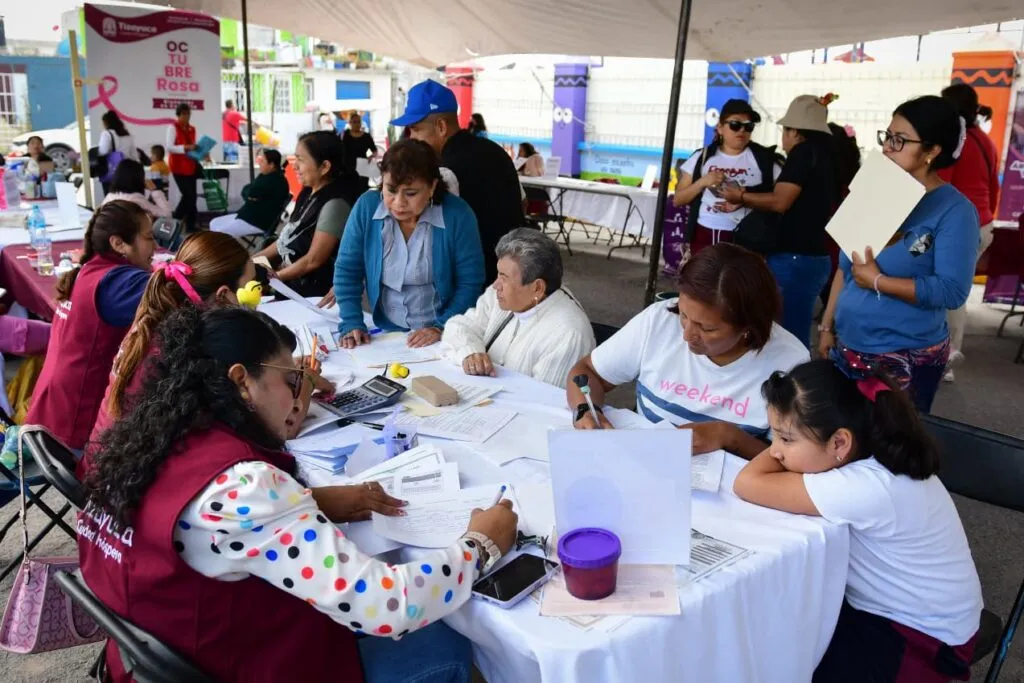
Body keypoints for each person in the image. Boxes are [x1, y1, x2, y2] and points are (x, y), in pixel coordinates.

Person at [79, 305, 518, 683]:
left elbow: (214, 531)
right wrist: (478, 545)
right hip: (247, 663)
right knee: (444, 641)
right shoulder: (245, 488)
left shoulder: (145, 445)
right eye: (291, 378)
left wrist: (317, 501)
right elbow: (389, 605)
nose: (298, 393)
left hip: (158, 655)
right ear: (242, 381)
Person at [733, 359, 981, 682]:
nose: (775, 450)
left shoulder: (864, 486)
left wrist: (773, 443)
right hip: (903, 613)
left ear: (839, 443)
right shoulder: (874, 454)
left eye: (785, 439)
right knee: (785, 635)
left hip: (925, 638)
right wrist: (790, 438)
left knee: (785, 655)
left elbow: (747, 482)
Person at [565, 244, 808, 457]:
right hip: (644, 465)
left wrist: (729, 437)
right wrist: (586, 409)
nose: (687, 335)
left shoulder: (788, 362)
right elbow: (587, 372)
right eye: (683, 315)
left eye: (707, 328)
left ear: (748, 326)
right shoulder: (659, 320)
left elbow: (797, 458)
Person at [819, 95, 978, 414]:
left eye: (900, 140)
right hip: (848, 346)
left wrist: (879, 281)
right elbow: (845, 268)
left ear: (932, 151)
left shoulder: (955, 211)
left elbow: (951, 291)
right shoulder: (873, 189)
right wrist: (827, 327)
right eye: (887, 137)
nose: (887, 147)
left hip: (905, 354)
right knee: (843, 442)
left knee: (892, 453)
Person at [25, 201, 155, 451]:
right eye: (148, 238)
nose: (155, 246)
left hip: (48, 417)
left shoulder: (90, 270)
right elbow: (179, 291)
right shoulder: (117, 284)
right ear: (118, 244)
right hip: (74, 432)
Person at [334, 139, 485, 350]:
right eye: (391, 190)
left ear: (432, 187)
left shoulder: (457, 215)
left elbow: (470, 282)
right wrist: (351, 321)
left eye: (411, 193)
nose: (399, 202)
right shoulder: (367, 207)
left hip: (441, 336)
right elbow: (347, 269)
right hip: (384, 332)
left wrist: (440, 327)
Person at [719, 94, 840, 349]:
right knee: (791, 329)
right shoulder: (830, 155)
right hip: (816, 257)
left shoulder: (802, 153)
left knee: (787, 337)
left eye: (785, 130)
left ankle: (792, 385)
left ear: (795, 131)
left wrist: (740, 195)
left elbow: (780, 201)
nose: (783, 138)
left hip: (796, 258)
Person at [395, 80, 524, 284]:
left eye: (416, 129)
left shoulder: (444, 172)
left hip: (474, 284)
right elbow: (522, 202)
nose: (412, 138)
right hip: (516, 272)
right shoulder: (495, 151)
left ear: (441, 127)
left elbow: (432, 239)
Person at [442, 229, 595, 387]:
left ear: (537, 288)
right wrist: (470, 352)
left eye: (504, 278)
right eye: (498, 274)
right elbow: (458, 326)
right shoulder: (501, 297)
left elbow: (544, 401)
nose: (495, 285)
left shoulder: (568, 334)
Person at [939, 83, 1000, 382]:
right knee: (955, 291)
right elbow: (993, 187)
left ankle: (945, 357)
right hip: (982, 222)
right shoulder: (985, 142)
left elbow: (942, 184)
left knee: (949, 293)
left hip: (958, 224)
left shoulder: (954, 142)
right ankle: (945, 354)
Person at [254, 131, 361, 297]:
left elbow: (313, 261)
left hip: (312, 294)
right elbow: (287, 238)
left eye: (300, 160)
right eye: (295, 159)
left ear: (324, 166)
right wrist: (250, 261)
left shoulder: (335, 204)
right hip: (290, 283)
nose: (294, 166)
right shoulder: (307, 193)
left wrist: (274, 279)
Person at [673, 99, 782, 255]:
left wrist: (744, 198)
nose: (742, 131)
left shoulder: (765, 160)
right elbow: (678, 199)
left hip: (750, 237)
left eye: (748, 126)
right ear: (720, 128)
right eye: (735, 125)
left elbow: (781, 199)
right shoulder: (701, 157)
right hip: (705, 232)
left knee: (741, 279)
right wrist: (703, 182)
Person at [211, 150, 292, 240]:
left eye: (263, 161)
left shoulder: (276, 180)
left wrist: (251, 196)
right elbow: (246, 190)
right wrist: (250, 197)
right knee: (214, 223)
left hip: (257, 222)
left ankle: (224, 252)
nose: (259, 163)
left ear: (271, 165)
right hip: (248, 216)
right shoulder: (265, 176)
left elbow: (251, 191)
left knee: (219, 231)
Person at [166, 103, 202, 233]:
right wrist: (186, 147)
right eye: (184, 114)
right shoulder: (172, 127)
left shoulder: (192, 129)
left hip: (191, 165)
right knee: (188, 196)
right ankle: (174, 221)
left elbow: (192, 147)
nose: (187, 117)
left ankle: (191, 226)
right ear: (178, 114)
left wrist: (201, 150)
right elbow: (169, 147)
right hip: (178, 167)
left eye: (188, 114)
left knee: (193, 197)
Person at [101, 158, 171, 218]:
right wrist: (155, 190)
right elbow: (167, 215)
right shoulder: (137, 200)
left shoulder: (109, 197)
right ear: (138, 179)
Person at [98, 111, 138, 195]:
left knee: (110, 199)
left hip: (112, 171)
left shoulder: (107, 134)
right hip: (128, 172)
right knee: (125, 198)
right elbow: (134, 155)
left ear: (106, 122)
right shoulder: (127, 135)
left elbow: (103, 151)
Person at [342, 112, 378, 195]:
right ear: (350, 123)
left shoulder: (366, 136)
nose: (357, 124)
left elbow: (374, 150)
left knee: (362, 190)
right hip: (348, 167)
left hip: (363, 166)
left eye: (358, 122)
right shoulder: (345, 135)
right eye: (354, 122)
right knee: (349, 190)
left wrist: (370, 157)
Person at [222, 99, 249, 163]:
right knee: (234, 158)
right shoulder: (235, 113)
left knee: (227, 157)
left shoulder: (223, 114)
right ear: (232, 105)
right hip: (232, 140)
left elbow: (230, 123)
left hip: (223, 140)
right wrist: (258, 125)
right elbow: (248, 119)